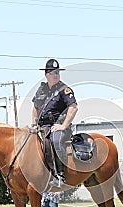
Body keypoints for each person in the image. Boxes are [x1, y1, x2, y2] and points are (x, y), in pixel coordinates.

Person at [32, 59, 78, 188]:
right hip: (42, 126)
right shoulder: (41, 90)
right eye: (53, 72)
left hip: (58, 127)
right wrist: (34, 124)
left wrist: (63, 126)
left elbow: (73, 107)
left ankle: (59, 176)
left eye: (57, 72)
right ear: (46, 74)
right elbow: (35, 108)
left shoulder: (65, 90)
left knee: (55, 140)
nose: (56, 75)